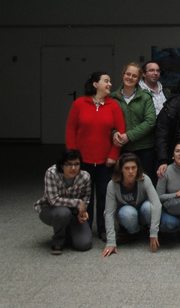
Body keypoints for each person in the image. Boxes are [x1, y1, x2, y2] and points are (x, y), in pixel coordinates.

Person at [65, 71, 125, 240]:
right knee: (85, 197)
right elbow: (71, 131)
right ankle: (84, 228)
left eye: (110, 81)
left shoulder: (113, 105)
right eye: (106, 81)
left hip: (106, 161)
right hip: (83, 161)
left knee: (105, 197)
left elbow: (120, 133)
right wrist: (73, 158)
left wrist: (113, 155)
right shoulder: (79, 104)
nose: (110, 84)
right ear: (95, 84)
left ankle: (104, 228)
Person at [34, 149, 92, 255]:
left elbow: (86, 197)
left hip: (74, 213)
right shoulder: (51, 173)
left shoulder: (85, 176)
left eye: (76, 164)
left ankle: (68, 231)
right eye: (69, 164)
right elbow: (53, 200)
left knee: (84, 244)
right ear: (61, 165)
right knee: (63, 213)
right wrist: (78, 203)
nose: (73, 168)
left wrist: (82, 212)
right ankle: (58, 240)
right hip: (51, 209)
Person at [102, 153, 161, 257]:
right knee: (128, 212)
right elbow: (108, 212)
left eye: (134, 168)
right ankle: (133, 232)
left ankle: (145, 229)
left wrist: (154, 233)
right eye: (127, 168)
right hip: (126, 214)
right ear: (120, 169)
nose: (130, 171)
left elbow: (157, 204)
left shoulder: (144, 179)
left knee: (149, 207)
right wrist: (111, 241)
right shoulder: (112, 184)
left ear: (138, 168)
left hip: (142, 212)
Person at [111, 63, 157, 179]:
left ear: (139, 78)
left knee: (144, 181)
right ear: (123, 75)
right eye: (128, 74)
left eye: (134, 76)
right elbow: (107, 122)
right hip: (121, 148)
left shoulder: (145, 97)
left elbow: (150, 121)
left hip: (144, 148)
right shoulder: (112, 98)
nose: (130, 78)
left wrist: (129, 136)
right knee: (123, 181)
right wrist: (114, 134)